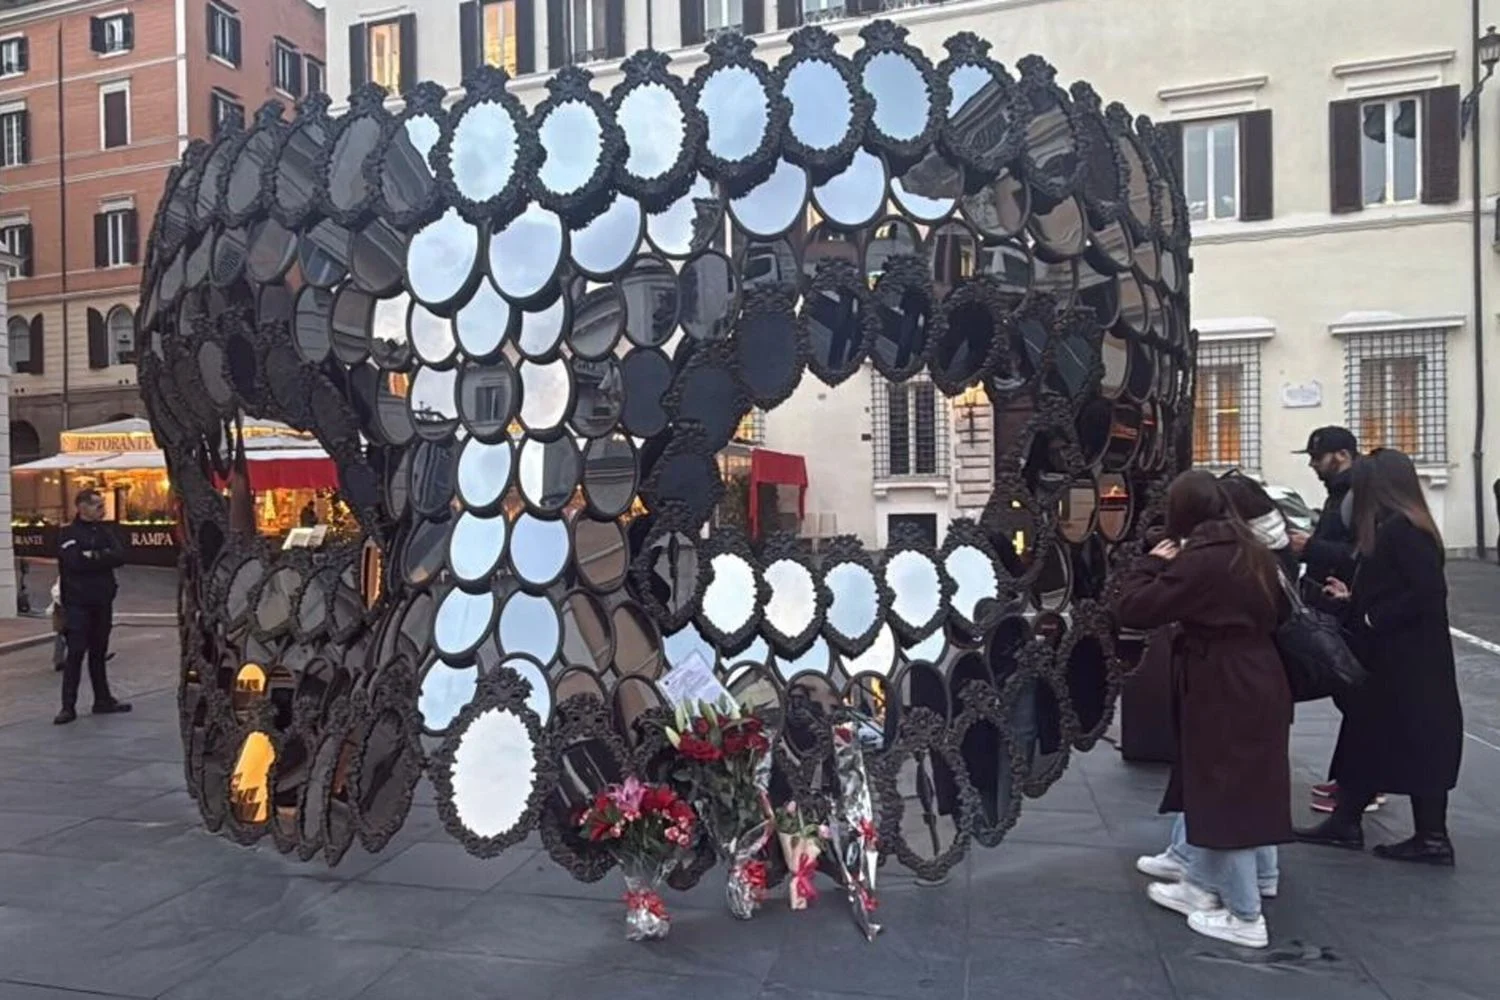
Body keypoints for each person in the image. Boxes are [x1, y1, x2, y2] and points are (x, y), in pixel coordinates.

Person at [1112, 470, 1292, 949]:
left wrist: (1148, 565)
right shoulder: (1252, 550)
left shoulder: (1203, 561)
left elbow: (1135, 607)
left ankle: (1244, 915)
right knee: (1248, 784)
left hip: (1223, 683)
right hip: (1260, 676)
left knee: (1224, 794)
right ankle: (1241, 879)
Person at [1296, 449, 1463, 865]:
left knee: (1403, 737)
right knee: (1371, 737)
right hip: (1401, 659)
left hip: (1405, 661)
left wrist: (1369, 617)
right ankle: (1349, 822)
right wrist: (1353, 599)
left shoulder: (1403, 530)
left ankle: (1429, 837)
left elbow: (1426, 593)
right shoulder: (1402, 526)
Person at [1287, 426, 1375, 814]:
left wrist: (1311, 547)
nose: (1312, 465)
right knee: (1349, 695)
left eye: (1317, 457)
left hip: (1347, 607)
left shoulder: (1356, 495)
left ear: (1341, 455)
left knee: (1353, 694)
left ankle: (1363, 785)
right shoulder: (1343, 493)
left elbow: (1361, 552)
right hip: (1338, 603)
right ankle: (1352, 781)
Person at [54, 490, 131, 725]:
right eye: (97, 505)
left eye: (102, 505)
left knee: (99, 653)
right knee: (75, 653)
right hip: (77, 602)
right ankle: (68, 706)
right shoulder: (68, 533)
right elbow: (75, 562)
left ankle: (103, 700)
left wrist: (94, 556)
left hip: (102, 600)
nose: (102, 509)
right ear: (81, 507)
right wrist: (101, 557)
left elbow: (120, 556)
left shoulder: (106, 531)